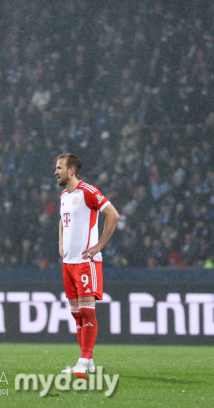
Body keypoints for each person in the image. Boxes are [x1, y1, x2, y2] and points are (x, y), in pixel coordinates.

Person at [55, 153, 120, 375]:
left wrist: (99, 245)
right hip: (68, 263)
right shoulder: (64, 195)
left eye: (59, 168)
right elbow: (63, 221)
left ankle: (83, 362)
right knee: (76, 314)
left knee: (87, 312)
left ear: (71, 170)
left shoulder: (88, 192)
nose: (56, 172)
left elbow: (113, 214)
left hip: (86, 262)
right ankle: (88, 360)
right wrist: (60, 242)